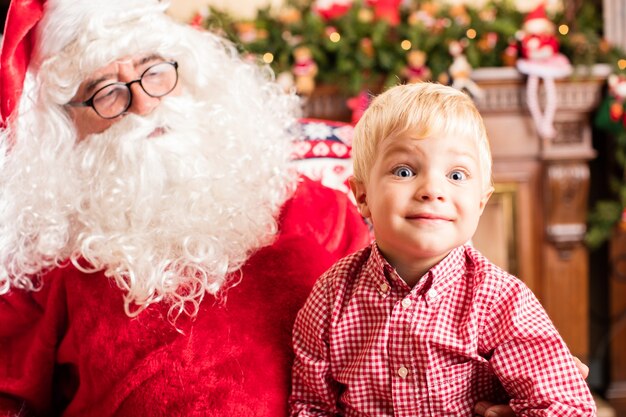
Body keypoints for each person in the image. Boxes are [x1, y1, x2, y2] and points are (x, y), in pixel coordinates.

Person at [289, 83, 596, 416]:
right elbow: (310, 405)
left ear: (480, 202)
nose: (432, 189)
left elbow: (566, 405)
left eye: (456, 174)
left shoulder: (499, 299)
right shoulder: (331, 295)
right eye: (404, 171)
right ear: (363, 197)